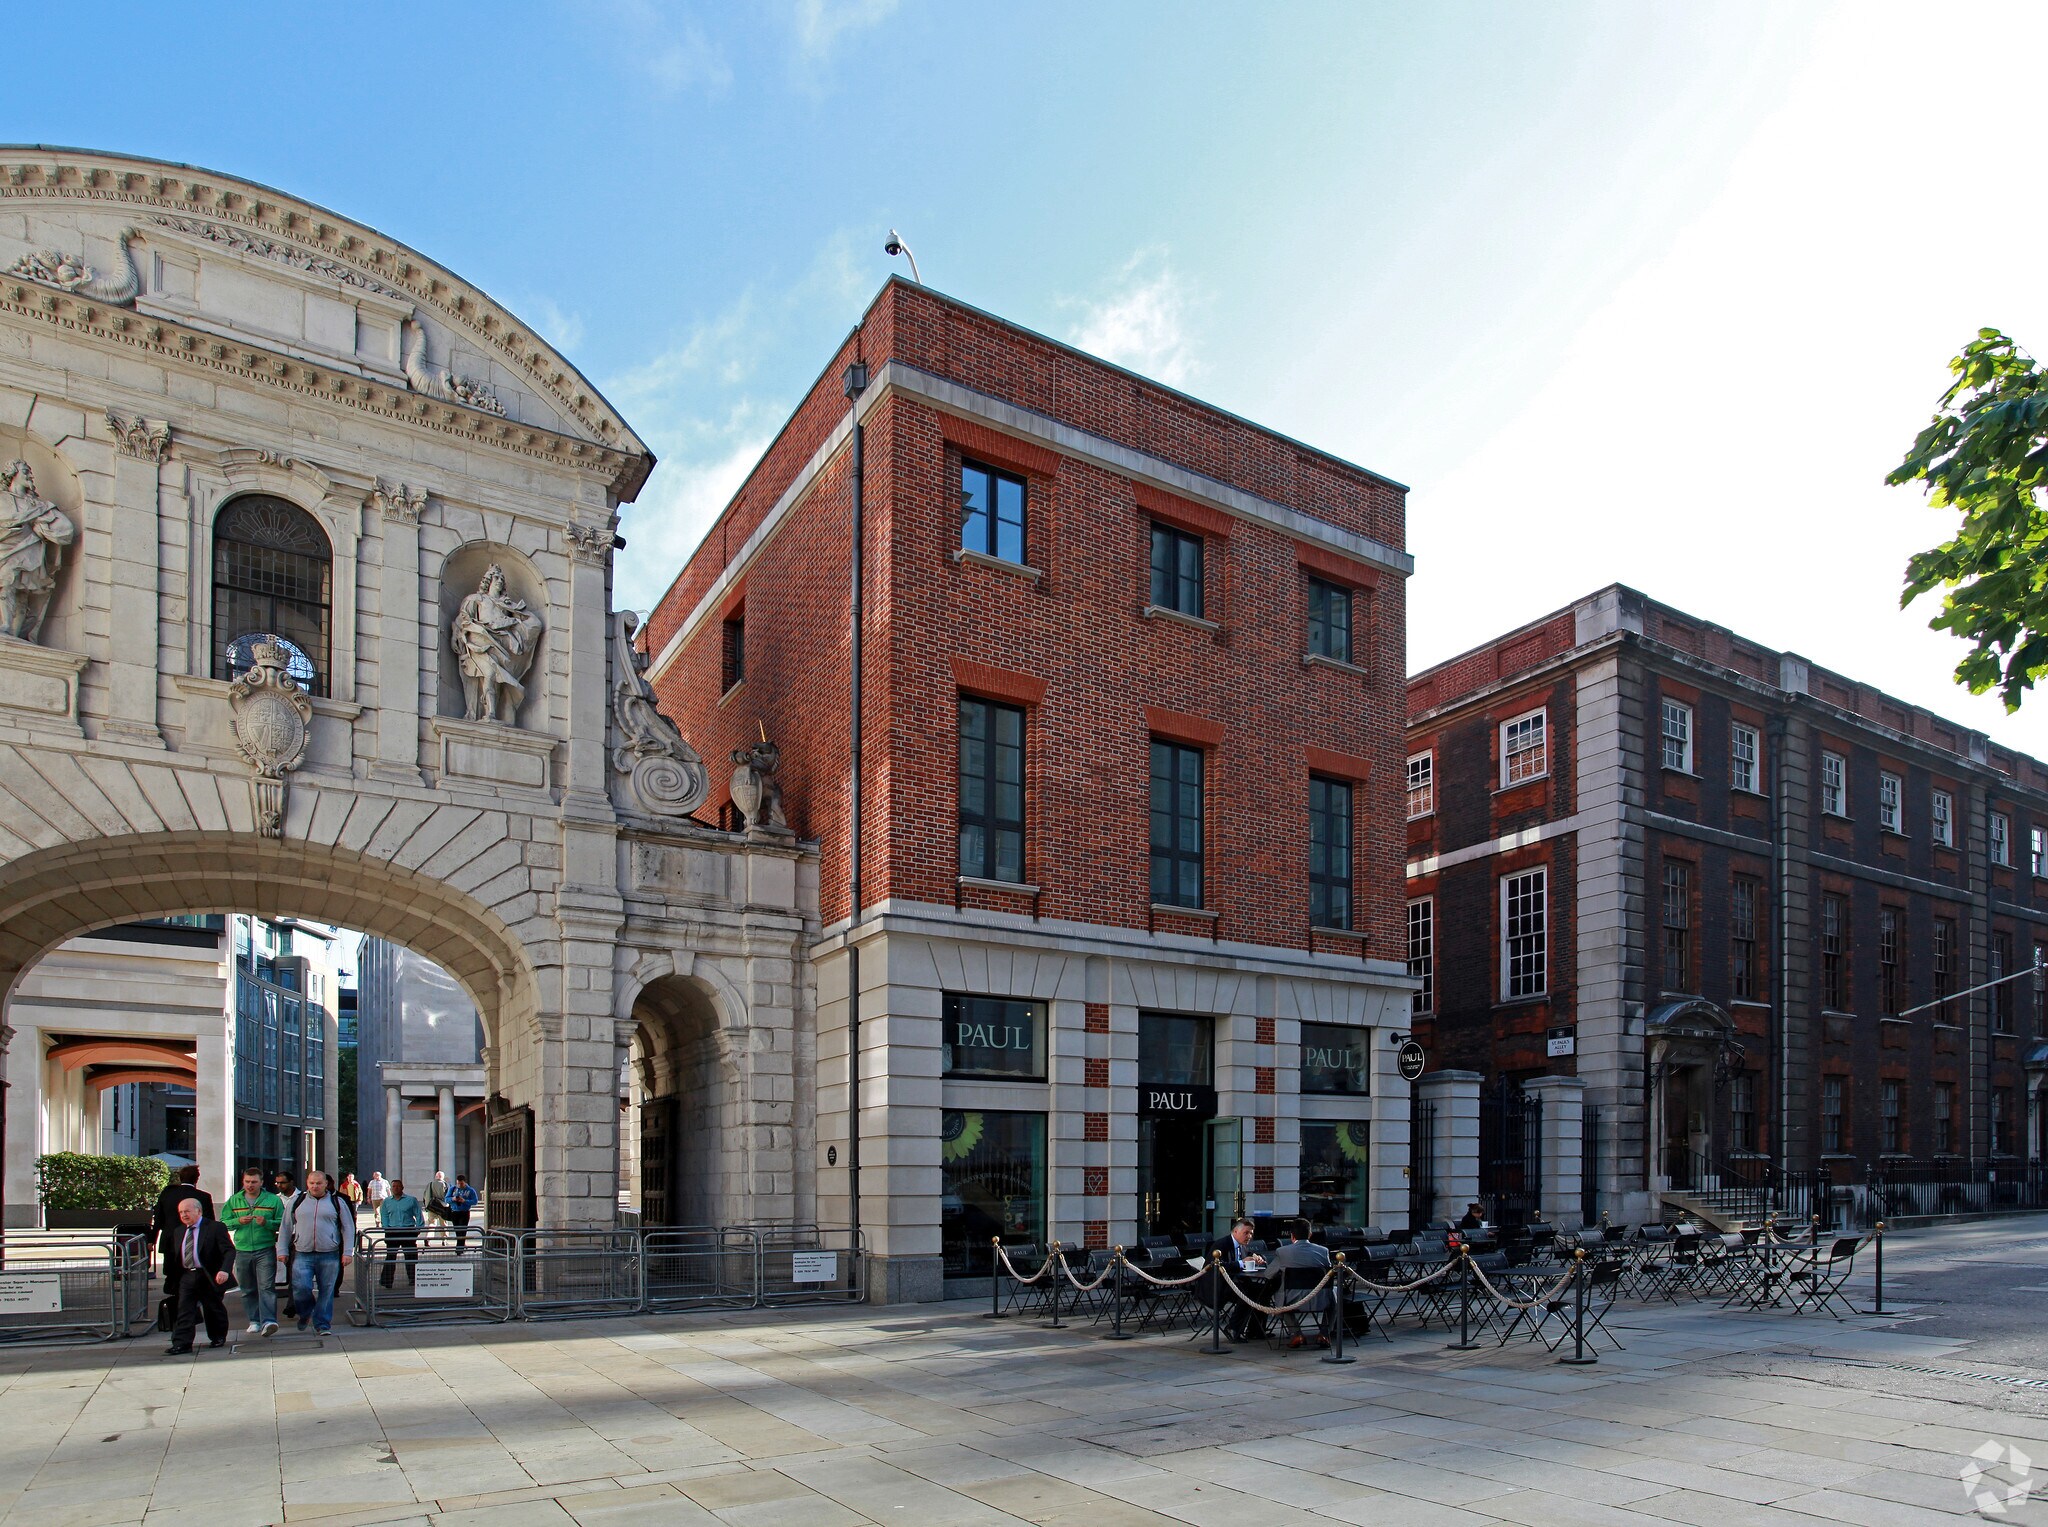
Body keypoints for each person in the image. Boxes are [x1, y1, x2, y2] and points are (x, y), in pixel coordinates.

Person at [285, 1169, 356, 1335]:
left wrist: (347, 1252)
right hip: (303, 1252)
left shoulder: (337, 1202)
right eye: (311, 1183)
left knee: (327, 1290)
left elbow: (348, 1227)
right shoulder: (297, 1201)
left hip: (329, 1253)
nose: (315, 1186)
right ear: (307, 1184)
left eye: (318, 1183)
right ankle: (305, 1312)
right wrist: (282, 1250)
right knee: (300, 1288)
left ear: (326, 1184)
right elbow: (286, 1227)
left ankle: (322, 1324)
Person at [165, 1196, 235, 1355]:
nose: (183, 1215)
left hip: (208, 1275)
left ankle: (217, 1336)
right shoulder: (179, 1231)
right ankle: (182, 1343)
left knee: (213, 1307)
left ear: (198, 1211)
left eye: (187, 1211)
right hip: (187, 1275)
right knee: (184, 1309)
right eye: (181, 1212)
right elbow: (174, 1256)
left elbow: (229, 1250)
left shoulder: (215, 1228)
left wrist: (224, 1270)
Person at [221, 1165, 284, 1337]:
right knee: (247, 1288)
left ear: (261, 1182)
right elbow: (223, 1223)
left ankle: (269, 1321)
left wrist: (267, 1224)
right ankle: (254, 1320)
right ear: (243, 1182)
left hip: (265, 1248)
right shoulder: (234, 1201)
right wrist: (238, 1221)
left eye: (254, 1182)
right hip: (242, 1249)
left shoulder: (272, 1200)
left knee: (266, 1287)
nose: (250, 1185)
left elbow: (283, 1223)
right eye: (247, 1182)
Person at [149, 1165, 213, 1304]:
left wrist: (151, 1240)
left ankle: (177, 1306)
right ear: (197, 1179)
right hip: (194, 1242)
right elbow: (210, 1223)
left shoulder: (167, 1194)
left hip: (170, 1242)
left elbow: (158, 1219)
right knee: (193, 1275)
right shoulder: (203, 1197)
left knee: (173, 1277)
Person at [1270, 1224, 1334, 1348]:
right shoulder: (1323, 1251)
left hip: (1291, 1299)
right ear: (1310, 1235)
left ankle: (1296, 1333)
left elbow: (1269, 1274)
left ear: (1292, 1236)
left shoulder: (1282, 1251)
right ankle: (1324, 1334)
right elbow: (1329, 1274)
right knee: (1335, 1295)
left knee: (1279, 1297)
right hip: (1320, 1298)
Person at [1207, 1218, 1269, 1342]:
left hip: (1237, 1283)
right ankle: (1233, 1328)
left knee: (1263, 1292)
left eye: (1251, 1233)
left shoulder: (1242, 1245)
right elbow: (1217, 1266)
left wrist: (1256, 1257)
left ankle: (1255, 1330)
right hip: (1218, 1286)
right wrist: (1241, 1263)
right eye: (1246, 1233)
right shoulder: (1221, 1245)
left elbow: (1248, 1254)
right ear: (1235, 1231)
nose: (1249, 1236)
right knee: (1247, 1295)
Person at [378, 1179, 424, 1288]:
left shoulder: (411, 1200)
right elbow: (384, 1216)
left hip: (408, 1230)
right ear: (391, 1188)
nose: (396, 1188)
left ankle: (413, 1279)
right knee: (390, 1256)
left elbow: (418, 1214)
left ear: (402, 1188)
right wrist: (386, 1228)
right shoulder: (387, 1202)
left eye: (398, 1186)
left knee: (411, 1256)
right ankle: (387, 1281)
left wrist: (418, 1228)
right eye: (394, 1186)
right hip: (392, 1231)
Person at [445, 1173, 480, 1254]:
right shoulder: (453, 1189)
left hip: (464, 1212)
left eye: (461, 1184)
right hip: (455, 1212)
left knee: (463, 1230)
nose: (459, 1185)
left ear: (465, 1182)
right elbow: (446, 1199)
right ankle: (461, 1245)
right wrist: (453, 1199)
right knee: (457, 1230)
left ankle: (459, 1249)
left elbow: (475, 1201)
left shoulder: (470, 1190)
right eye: (458, 1183)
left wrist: (465, 1201)